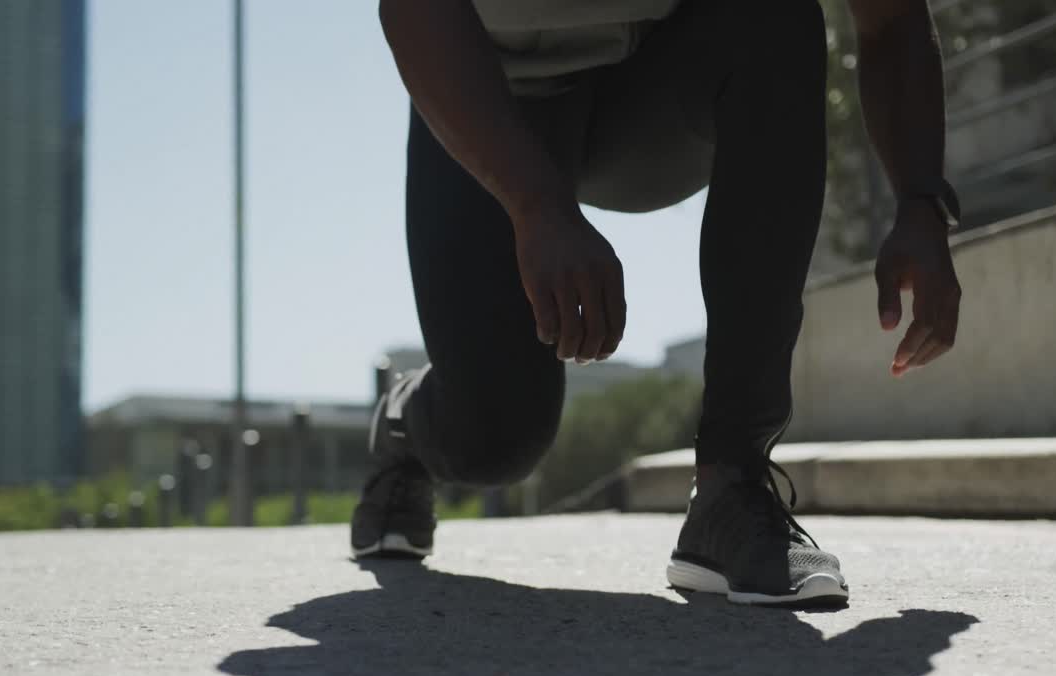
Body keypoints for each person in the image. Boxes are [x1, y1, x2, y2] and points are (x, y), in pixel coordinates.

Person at [351, 0, 963, 607]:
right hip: (493, 94)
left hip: (646, 91)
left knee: (777, 17)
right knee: (499, 438)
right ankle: (408, 420)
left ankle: (731, 485)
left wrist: (922, 202)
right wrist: (537, 205)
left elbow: (892, 18)